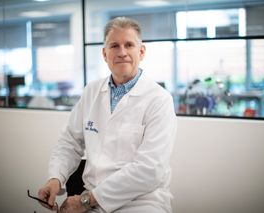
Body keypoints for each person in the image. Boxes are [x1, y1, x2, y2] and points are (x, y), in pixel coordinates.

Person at [38, 16, 177, 213]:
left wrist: (86, 201)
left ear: (142, 51)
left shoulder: (159, 99)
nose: (122, 52)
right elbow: (70, 142)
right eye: (114, 46)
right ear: (104, 53)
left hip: (142, 202)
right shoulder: (91, 91)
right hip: (92, 197)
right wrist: (55, 179)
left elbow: (150, 170)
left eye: (129, 45)